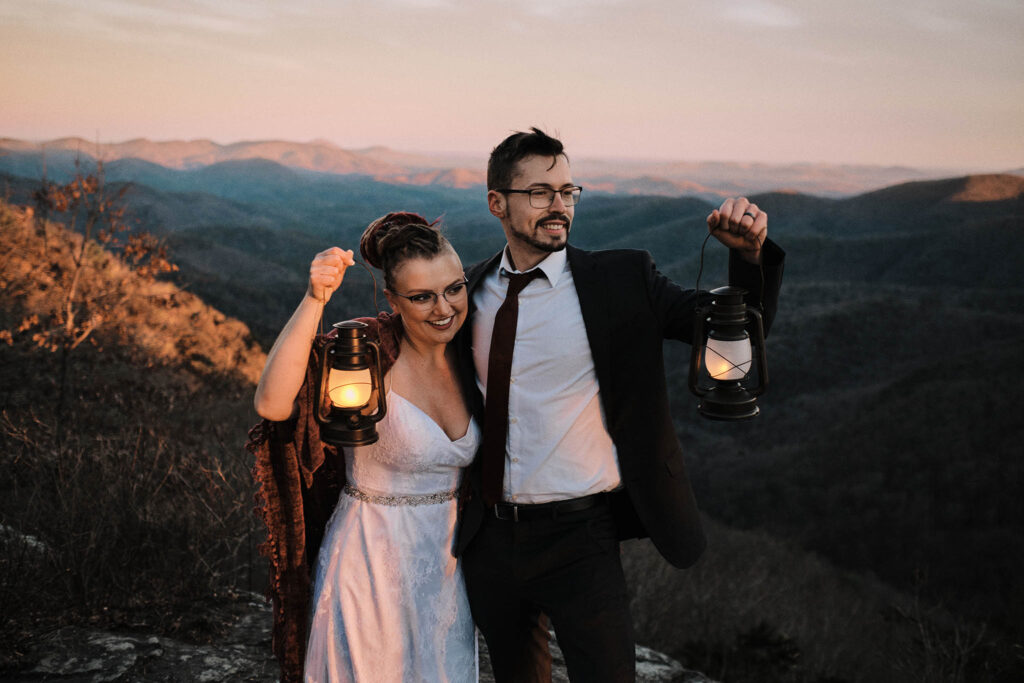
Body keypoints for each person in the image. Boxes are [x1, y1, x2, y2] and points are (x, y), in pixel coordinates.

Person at [453, 127, 786, 682]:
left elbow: (736, 333)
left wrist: (748, 259)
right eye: (539, 192)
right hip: (489, 538)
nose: (559, 206)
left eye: (567, 191)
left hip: (581, 540)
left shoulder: (622, 280)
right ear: (497, 203)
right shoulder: (468, 290)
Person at [249, 212, 479, 682]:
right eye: (422, 297)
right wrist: (316, 299)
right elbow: (273, 405)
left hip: (448, 569)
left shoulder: (475, 352)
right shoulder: (365, 356)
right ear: (392, 299)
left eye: (454, 288)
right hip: (368, 561)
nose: (444, 309)